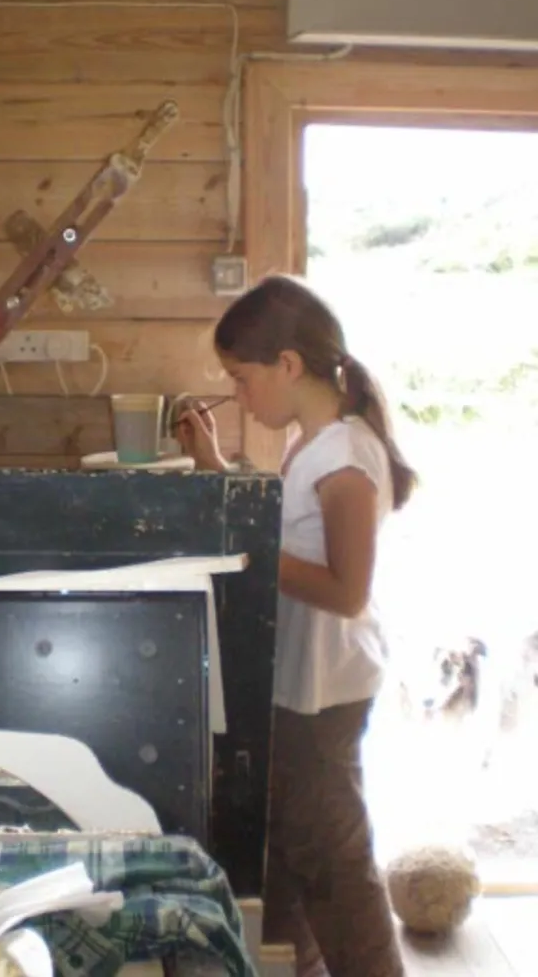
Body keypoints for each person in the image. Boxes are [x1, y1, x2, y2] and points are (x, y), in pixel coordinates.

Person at [177, 273, 415, 977]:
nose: (239, 394)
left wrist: (245, 549)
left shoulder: (342, 456)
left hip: (326, 692)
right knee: (285, 852)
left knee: (336, 870)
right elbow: (294, 538)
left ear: (288, 365)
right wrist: (219, 470)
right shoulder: (315, 443)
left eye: (241, 379)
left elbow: (346, 589)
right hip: (302, 688)